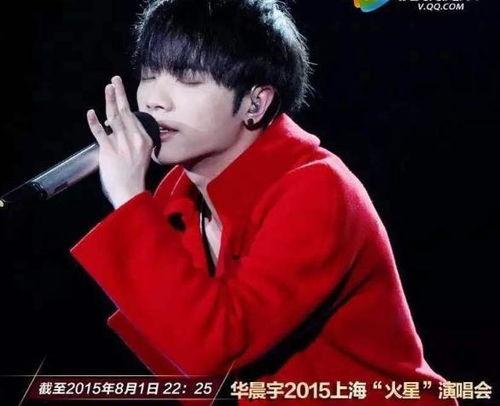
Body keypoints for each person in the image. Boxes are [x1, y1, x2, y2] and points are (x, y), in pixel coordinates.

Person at [71, 0, 457, 404]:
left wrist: (130, 199)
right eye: (150, 74)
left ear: (255, 103)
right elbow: (189, 369)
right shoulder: (178, 195)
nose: (154, 100)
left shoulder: (317, 188)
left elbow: (215, 349)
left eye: (188, 79)